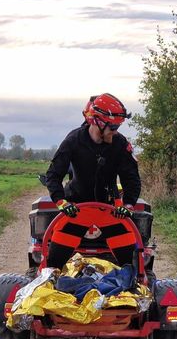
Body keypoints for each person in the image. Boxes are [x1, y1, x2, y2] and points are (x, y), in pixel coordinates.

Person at [45, 93, 142, 268]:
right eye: (113, 127)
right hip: (76, 209)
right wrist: (61, 201)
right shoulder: (73, 140)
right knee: (53, 263)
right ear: (98, 121)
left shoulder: (120, 144)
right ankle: (49, 285)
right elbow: (53, 174)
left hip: (110, 209)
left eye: (117, 127)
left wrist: (128, 205)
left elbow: (131, 178)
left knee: (131, 261)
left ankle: (132, 287)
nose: (115, 131)